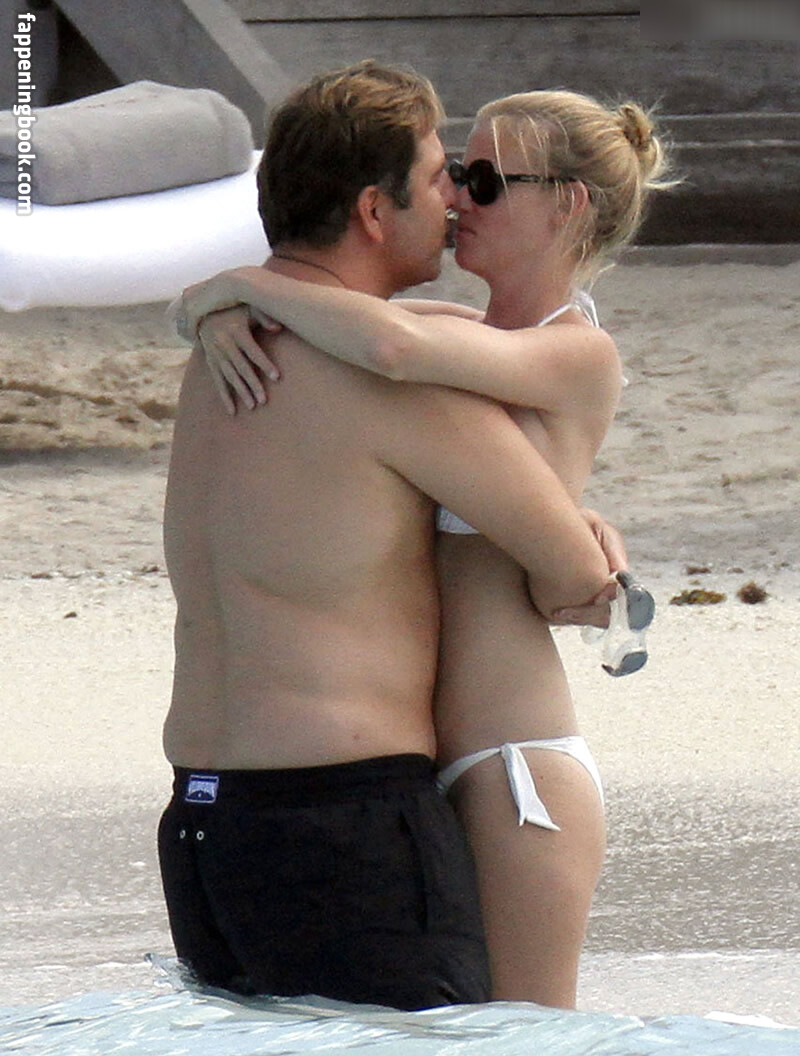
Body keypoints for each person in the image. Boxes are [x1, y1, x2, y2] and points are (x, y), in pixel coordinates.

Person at [176, 81, 670, 1007]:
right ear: (376, 209)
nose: (456, 201)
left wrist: (242, 285)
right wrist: (214, 306)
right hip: (404, 763)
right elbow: (377, 343)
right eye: (454, 176)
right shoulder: (442, 338)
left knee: (524, 1039)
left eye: (482, 181)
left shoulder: (570, 352)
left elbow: (390, 356)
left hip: (510, 749)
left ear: (565, 205)